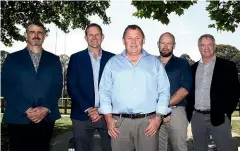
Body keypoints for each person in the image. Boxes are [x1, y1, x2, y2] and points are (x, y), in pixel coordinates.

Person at [99, 24, 170, 151]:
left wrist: (158, 118)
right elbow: (104, 91)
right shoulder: (112, 63)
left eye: (137, 38)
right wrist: (108, 118)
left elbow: (164, 91)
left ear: (143, 40)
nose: (133, 42)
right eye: (129, 38)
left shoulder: (155, 63)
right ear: (123, 40)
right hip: (119, 124)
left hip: (148, 123)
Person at [1, 21, 63, 151]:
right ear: (26, 35)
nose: (36, 35)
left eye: (40, 32)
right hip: (19, 117)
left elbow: (57, 87)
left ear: (44, 36)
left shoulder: (54, 60)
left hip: (45, 118)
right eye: (32, 32)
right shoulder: (12, 59)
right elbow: (6, 86)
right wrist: (25, 108)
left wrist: (45, 107)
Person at [186, 34, 240, 151]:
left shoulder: (227, 66)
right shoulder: (192, 68)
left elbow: (235, 92)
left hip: (220, 117)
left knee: (226, 148)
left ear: (214, 46)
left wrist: (226, 112)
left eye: (210, 45)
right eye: (203, 45)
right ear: (198, 47)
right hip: (197, 118)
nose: (206, 48)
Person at [67, 23, 114, 151]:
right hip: (82, 114)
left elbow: (117, 87)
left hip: (107, 115)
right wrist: (88, 109)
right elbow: (72, 86)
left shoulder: (113, 59)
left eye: (97, 34)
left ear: (102, 37)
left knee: (111, 148)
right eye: (90, 35)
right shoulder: (76, 58)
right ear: (86, 37)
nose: (94, 38)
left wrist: (102, 109)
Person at [158, 32, 192, 151]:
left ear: (174, 45)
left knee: (179, 147)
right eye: (163, 43)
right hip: (154, 114)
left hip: (176, 112)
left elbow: (185, 89)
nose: (166, 46)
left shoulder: (182, 63)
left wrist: (163, 106)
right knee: (158, 148)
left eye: (169, 43)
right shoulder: (151, 64)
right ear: (158, 44)